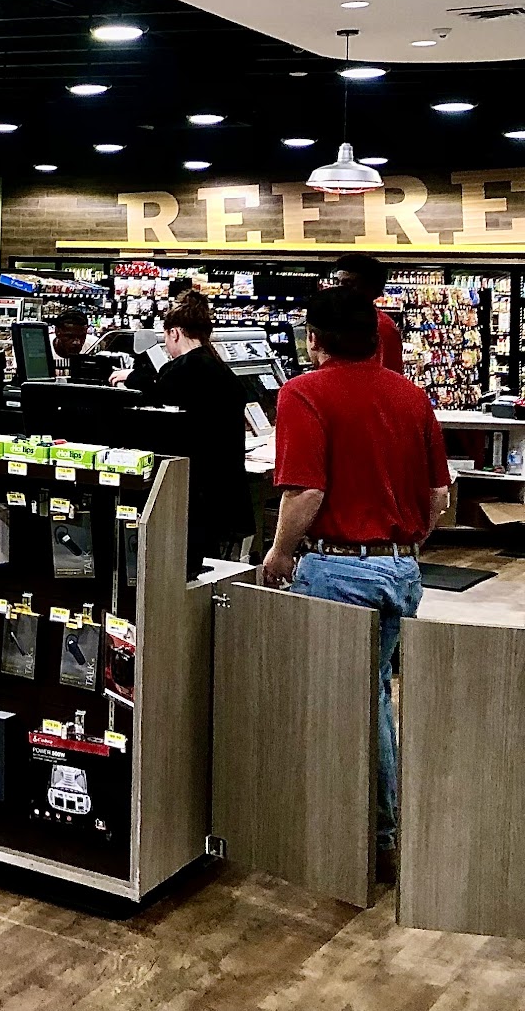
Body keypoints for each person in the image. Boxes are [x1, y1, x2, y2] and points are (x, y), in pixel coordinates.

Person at [262, 285, 450, 875]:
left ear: (313, 338)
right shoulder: (411, 396)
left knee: (336, 703)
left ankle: (360, 835)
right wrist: (402, 548)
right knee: (375, 695)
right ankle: (376, 831)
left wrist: (279, 553)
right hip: (401, 570)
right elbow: (439, 496)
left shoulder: (302, 393)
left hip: (336, 569)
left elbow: (306, 492)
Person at [132, 292, 251, 571]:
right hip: (224, 492)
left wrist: (133, 379)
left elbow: (159, 397)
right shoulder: (215, 365)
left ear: (174, 333)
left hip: (195, 495)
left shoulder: (185, 369)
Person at [119, 276, 199, 394]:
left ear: (174, 333)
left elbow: (162, 392)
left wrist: (131, 377)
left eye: (165, 337)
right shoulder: (211, 360)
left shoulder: (183, 368)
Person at [330, 253, 403, 373]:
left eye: (349, 284)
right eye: (337, 282)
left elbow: (390, 375)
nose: (339, 289)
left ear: (371, 289)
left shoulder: (382, 327)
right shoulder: (336, 319)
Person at [49, 309, 95, 375]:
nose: (77, 342)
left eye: (82, 336)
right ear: (57, 332)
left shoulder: (94, 345)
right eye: (70, 337)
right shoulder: (44, 347)